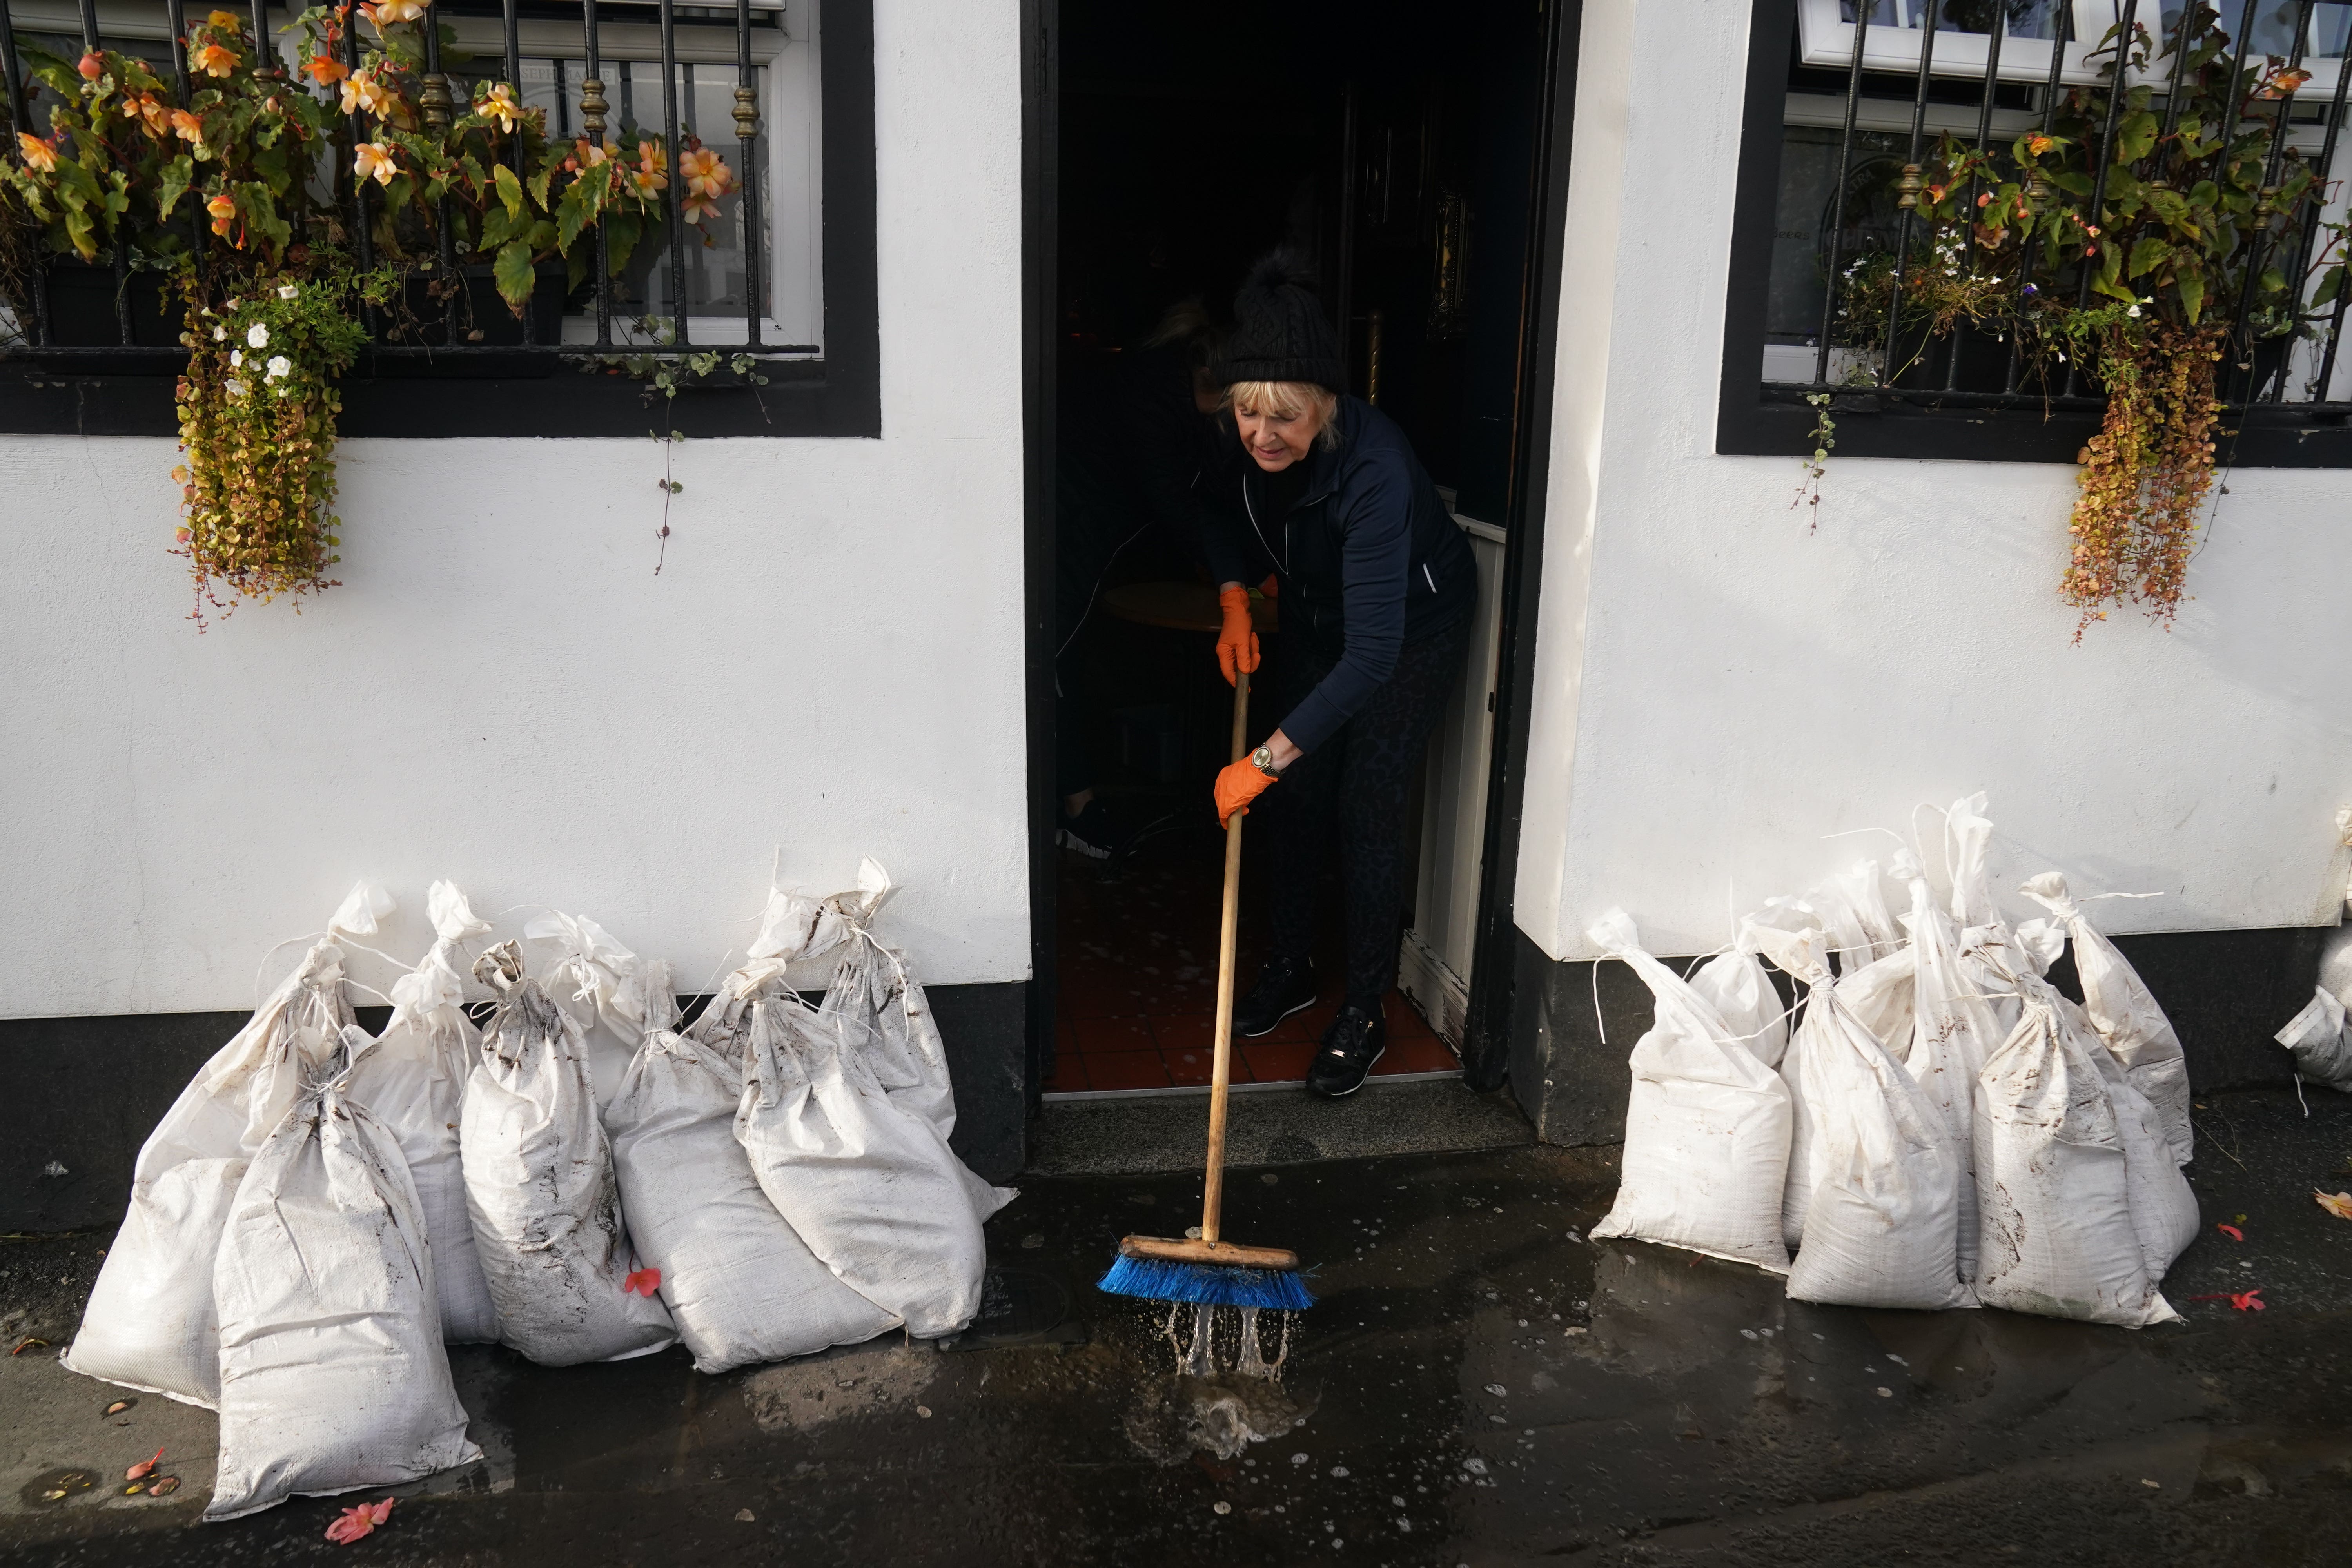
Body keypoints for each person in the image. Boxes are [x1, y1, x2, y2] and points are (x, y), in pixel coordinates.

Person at [1199, 252, 1475, 1098]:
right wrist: (1235, 594)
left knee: (1365, 807)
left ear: (1325, 405)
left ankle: (1364, 1010)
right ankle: (1290, 964)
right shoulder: (1246, 442)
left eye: (1285, 417)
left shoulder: (1375, 472)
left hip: (1408, 634)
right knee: (1299, 797)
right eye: (1250, 414)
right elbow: (1212, 507)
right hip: (1320, 616)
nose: (1264, 434)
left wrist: (1262, 759)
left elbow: (1372, 657)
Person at [1052, 301, 1231, 860]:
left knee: (1065, 659)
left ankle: (1071, 800)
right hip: (1066, 522)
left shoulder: (1173, 380)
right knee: (1050, 658)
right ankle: (1075, 811)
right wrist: (1237, 572)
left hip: (1088, 523)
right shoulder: (1152, 397)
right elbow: (1173, 501)